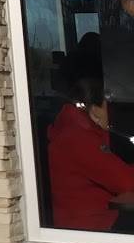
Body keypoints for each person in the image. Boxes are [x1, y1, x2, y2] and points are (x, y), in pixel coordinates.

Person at [47, 76, 134, 231]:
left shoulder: (74, 130)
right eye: (109, 107)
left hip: (90, 220)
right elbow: (125, 181)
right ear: (94, 110)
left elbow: (113, 170)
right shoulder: (79, 138)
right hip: (90, 226)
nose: (112, 113)